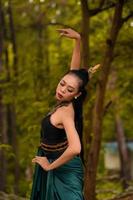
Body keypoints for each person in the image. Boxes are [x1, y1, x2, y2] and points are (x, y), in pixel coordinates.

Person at [30, 28, 99, 200]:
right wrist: (78, 40)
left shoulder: (66, 112)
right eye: (62, 83)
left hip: (63, 169)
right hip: (53, 160)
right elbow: (73, 74)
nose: (62, 90)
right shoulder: (71, 99)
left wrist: (49, 166)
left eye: (68, 89)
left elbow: (76, 148)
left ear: (76, 94)